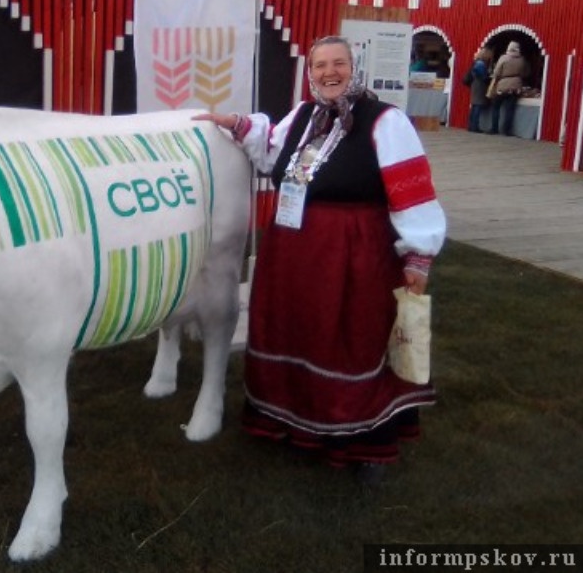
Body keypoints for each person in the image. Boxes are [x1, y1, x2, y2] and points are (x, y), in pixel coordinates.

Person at [195, 35, 446, 485]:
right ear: (310, 72)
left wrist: (418, 255)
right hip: (293, 250)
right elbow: (269, 149)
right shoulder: (305, 115)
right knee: (297, 331)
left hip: (353, 252)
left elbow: (411, 189)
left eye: (339, 64)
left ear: (355, 68)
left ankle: (364, 442)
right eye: (320, 66)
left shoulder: (385, 121)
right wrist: (234, 124)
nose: (329, 73)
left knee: (350, 337)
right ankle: (292, 422)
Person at [487, 41, 530, 136]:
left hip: (503, 85)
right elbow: (525, 73)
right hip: (516, 86)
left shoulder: (503, 58)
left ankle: (494, 128)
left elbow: (497, 72)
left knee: (496, 107)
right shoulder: (522, 60)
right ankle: (506, 130)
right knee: (510, 109)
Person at [466, 47, 494, 133]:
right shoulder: (481, 64)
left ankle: (471, 125)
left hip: (475, 85)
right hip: (480, 86)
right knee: (477, 105)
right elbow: (484, 77)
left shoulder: (476, 63)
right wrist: (489, 77)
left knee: (474, 106)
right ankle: (475, 126)